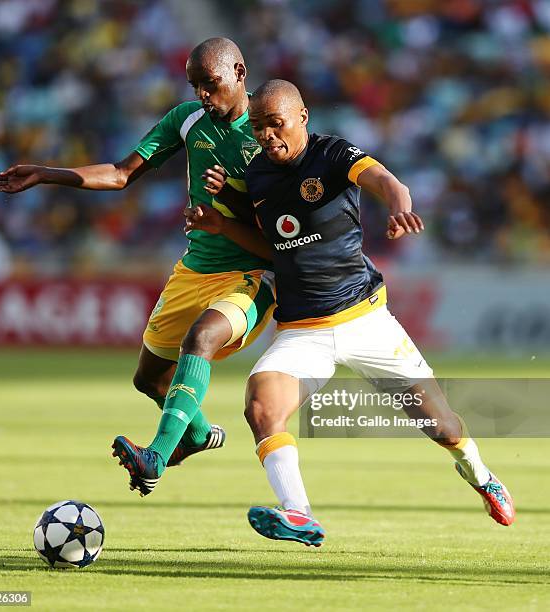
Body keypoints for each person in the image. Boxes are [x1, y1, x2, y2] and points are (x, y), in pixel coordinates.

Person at [185, 79, 515, 546]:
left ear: (302, 116)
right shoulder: (257, 174)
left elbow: (386, 181)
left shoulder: (334, 155)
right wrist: (223, 223)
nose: (266, 135)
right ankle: (299, 514)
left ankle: (480, 474)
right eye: (258, 127)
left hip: (365, 321)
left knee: (443, 427)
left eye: (275, 124)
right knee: (260, 406)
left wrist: (400, 208)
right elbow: (273, 246)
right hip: (303, 331)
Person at [0, 38, 275, 496]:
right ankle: (197, 434)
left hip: (253, 274)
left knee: (200, 338)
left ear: (240, 73)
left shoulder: (268, 130)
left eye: (211, 83)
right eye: (195, 85)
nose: (202, 94)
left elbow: (284, 219)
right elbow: (122, 173)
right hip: (195, 268)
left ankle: (155, 457)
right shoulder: (188, 120)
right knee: (149, 377)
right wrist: (47, 173)